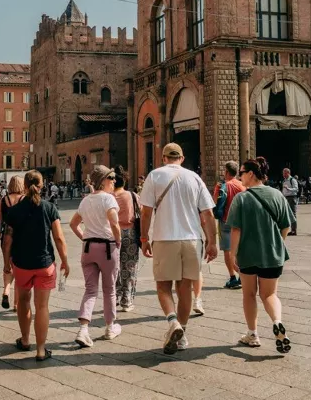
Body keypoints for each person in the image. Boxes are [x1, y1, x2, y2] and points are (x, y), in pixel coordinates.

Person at [140, 143, 218, 354]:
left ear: (164, 158)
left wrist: (143, 238)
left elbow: (146, 213)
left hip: (165, 238)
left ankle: (173, 322)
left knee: (163, 286)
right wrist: (213, 242)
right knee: (185, 290)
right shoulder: (194, 178)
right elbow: (208, 215)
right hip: (192, 239)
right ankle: (182, 333)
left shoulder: (154, 176)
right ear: (182, 158)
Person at [227, 159, 292, 354]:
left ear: (252, 174)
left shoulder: (242, 198)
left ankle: (253, 334)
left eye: (242, 172)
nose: (239, 176)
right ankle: (277, 322)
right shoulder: (278, 195)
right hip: (272, 254)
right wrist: (276, 242)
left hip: (248, 254)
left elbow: (236, 230)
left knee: (249, 294)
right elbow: (286, 226)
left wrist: (233, 254)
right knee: (270, 294)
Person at [4, 171, 70, 361]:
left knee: (24, 302)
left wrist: (7, 262)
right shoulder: (49, 208)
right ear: (42, 186)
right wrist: (65, 260)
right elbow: (58, 237)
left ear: (24, 185)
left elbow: (7, 240)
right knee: (42, 306)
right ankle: (41, 349)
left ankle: (25, 340)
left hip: (22, 264)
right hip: (45, 264)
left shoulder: (14, 211)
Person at [69, 166, 122, 347]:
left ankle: (83, 330)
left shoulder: (85, 201)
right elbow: (114, 223)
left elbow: (73, 224)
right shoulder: (108, 199)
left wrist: (85, 237)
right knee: (110, 289)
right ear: (103, 181)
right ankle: (109, 327)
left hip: (88, 248)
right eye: (111, 178)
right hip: (107, 247)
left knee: (90, 289)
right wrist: (118, 240)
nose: (114, 181)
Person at [213, 161, 246, 290]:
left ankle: (232, 277)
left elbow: (215, 202)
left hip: (225, 221)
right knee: (239, 249)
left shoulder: (222, 186)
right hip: (241, 222)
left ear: (226, 171)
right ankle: (242, 275)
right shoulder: (243, 186)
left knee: (227, 250)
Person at [113, 166, 141, 312]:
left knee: (114, 267)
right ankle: (127, 300)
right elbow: (142, 211)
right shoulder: (132, 195)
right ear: (124, 181)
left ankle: (114, 298)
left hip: (112, 233)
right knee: (129, 266)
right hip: (129, 233)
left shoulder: (108, 197)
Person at [0, 175, 25, 310]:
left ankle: (6, 290)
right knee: (19, 268)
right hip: (21, 236)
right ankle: (16, 304)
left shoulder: (4, 200)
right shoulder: (24, 199)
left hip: (6, 235)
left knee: (7, 265)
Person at [281, 169, 299, 236]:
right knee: (286, 214)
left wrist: (289, 189)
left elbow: (296, 189)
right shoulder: (284, 180)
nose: (283, 175)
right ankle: (287, 229)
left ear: (288, 173)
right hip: (285, 198)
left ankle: (294, 230)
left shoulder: (292, 180)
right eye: (283, 173)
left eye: (285, 173)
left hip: (291, 198)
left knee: (292, 214)